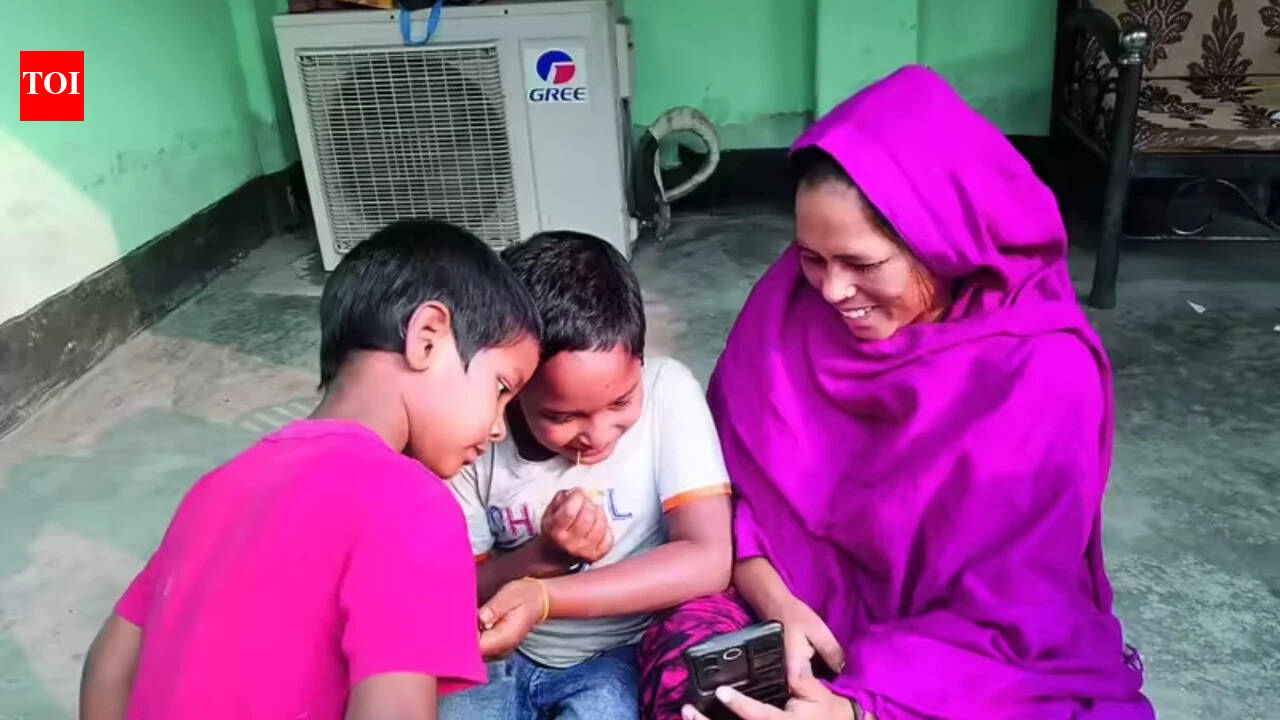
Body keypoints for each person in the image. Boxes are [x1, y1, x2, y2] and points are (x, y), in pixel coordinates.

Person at [640, 66, 1156, 720]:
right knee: (687, 673)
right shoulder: (790, 306)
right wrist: (777, 604)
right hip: (781, 602)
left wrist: (857, 710)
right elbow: (723, 499)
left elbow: (1017, 608)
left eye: (864, 264)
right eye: (812, 256)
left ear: (944, 243)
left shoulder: (1041, 369)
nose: (832, 290)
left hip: (957, 664)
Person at [79, 219, 542, 720]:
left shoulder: (217, 487)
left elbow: (109, 666)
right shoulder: (413, 505)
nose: (500, 427)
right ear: (427, 338)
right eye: (502, 389)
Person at [444, 231, 734, 720]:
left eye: (621, 401)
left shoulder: (667, 394)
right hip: (498, 651)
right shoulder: (478, 435)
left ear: (639, 360)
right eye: (561, 416)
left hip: (618, 654)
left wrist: (544, 598)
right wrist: (543, 557)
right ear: (514, 385)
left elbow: (707, 558)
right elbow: (459, 587)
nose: (597, 434)